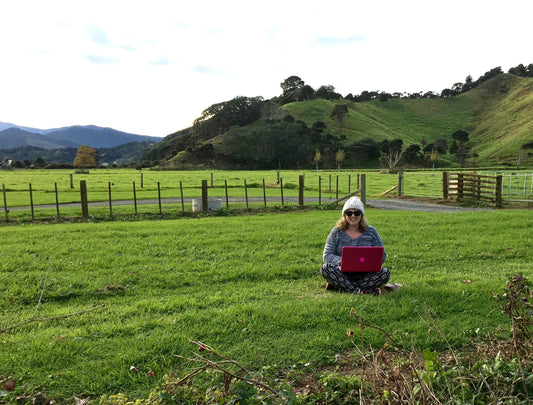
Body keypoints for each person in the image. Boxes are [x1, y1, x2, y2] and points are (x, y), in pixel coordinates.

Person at [321, 196, 390, 295]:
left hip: (365, 273)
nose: (353, 216)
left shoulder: (371, 231)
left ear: (361, 215)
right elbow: (327, 255)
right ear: (344, 215)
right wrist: (344, 262)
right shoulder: (336, 232)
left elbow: (382, 255)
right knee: (326, 268)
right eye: (349, 213)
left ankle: (341, 286)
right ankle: (360, 289)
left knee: (385, 273)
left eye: (356, 213)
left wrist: (368, 263)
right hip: (342, 272)